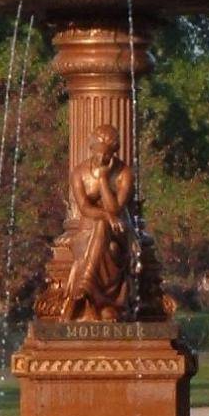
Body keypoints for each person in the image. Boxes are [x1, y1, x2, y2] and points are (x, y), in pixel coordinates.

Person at [65, 125, 138, 320]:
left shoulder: (125, 174)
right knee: (103, 230)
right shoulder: (79, 173)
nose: (101, 158)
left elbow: (116, 209)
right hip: (88, 231)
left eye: (106, 155)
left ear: (114, 153)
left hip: (119, 230)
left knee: (105, 229)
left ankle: (85, 286)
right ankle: (103, 304)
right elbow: (84, 208)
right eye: (97, 153)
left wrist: (104, 179)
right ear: (91, 148)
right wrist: (106, 216)